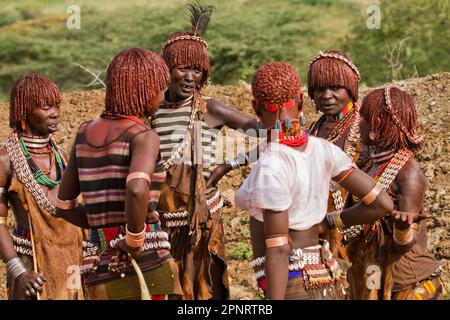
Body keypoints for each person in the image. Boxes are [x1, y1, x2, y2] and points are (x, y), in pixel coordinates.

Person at [234, 62, 423, 300]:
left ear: (255, 108)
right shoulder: (324, 150)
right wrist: (331, 221)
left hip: (292, 284)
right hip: (327, 280)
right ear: (301, 102)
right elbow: (382, 204)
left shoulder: (272, 165)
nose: (327, 96)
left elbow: (280, 249)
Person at [152, 1, 260, 300]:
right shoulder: (151, 109)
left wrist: (229, 165)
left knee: (206, 293)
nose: (190, 77)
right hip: (160, 223)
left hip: (203, 222)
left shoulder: (211, 109)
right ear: (166, 69)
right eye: (183, 68)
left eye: (198, 70)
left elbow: (272, 138)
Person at [56, 48, 182, 300]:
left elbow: (63, 205)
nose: (163, 95)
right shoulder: (143, 136)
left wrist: (102, 228)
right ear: (144, 91)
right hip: (146, 261)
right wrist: (133, 239)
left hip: (100, 265)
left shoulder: (84, 133)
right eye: (160, 88)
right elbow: (136, 188)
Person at [343, 85, 444, 300]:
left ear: (376, 125)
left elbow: (406, 244)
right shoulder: (369, 164)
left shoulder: (409, 173)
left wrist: (402, 229)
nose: (357, 123)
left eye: (363, 118)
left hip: (407, 284)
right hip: (372, 275)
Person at [0, 73, 84, 300]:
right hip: (31, 264)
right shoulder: (5, 160)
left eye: (57, 105)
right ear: (25, 110)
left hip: (70, 261)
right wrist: (19, 272)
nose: (55, 113)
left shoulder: (62, 156)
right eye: (46, 107)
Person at [307, 50, 364, 260]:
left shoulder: (365, 131)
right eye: (320, 89)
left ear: (351, 89)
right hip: (314, 231)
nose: (326, 95)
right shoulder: (312, 131)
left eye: (336, 88)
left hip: (355, 234)